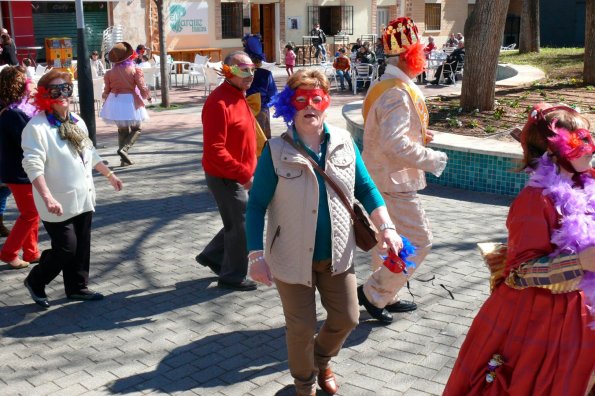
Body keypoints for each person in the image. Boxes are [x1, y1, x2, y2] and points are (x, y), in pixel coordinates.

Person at [246, 69, 403, 396]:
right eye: (300, 99)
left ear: (326, 102)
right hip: (289, 257)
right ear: (290, 104)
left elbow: (366, 187)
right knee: (301, 328)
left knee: (347, 318)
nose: (310, 106)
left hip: (338, 255)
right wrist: (255, 256)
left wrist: (387, 226)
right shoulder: (275, 151)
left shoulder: (344, 142)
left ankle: (322, 360)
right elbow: (256, 205)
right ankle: (304, 385)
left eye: (316, 99)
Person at [444, 104, 595, 395]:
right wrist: (579, 261)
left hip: (582, 313)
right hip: (538, 320)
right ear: (554, 152)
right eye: (580, 140)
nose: (591, 147)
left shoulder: (586, 185)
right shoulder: (534, 201)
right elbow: (520, 271)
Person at [359, 17, 448, 323]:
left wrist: (419, 135)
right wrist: (431, 158)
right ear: (410, 56)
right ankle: (374, 294)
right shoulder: (397, 91)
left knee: (387, 239)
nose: (424, 57)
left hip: (378, 175)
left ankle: (385, 294)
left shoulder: (383, 84)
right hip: (394, 179)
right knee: (420, 240)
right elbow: (394, 143)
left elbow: (385, 131)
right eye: (421, 52)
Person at [21, 68, 123, 308]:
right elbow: (33, 166)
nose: (63, 95)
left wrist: (109, 174)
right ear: (45, 95)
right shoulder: (37, 128)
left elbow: (89, 151)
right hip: (56, 200)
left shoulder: (77, 121)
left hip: (83, 196)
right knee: (66, 248)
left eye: (67, 88)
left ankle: (77, 287)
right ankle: (36, 281)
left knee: (82, 245)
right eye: (56, 90)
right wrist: (47, 198)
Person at [195, 51, 258, 291]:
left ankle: (213, 255)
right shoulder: (218, 102)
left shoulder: (238, 95)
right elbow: (215, 150)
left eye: (252, 69)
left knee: (238, 221)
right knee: (241, 224)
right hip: (224, 176)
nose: (250, 75)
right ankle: (231, 276)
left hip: (238, 173)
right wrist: (243, 174)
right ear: (228, 71)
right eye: (244, 70)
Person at [0, 66, 40, 269]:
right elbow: (26, 141)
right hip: (19, 172)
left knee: (32, 212)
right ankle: (8, 253)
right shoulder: (13, 114)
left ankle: (32, 252)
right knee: (30, 213)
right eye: (26, 82)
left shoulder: (12, 111)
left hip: (18, 170)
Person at [99, 42, 151, 167]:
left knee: (122, 130)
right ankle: (125, 150)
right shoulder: (135, 70)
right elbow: (141, 86)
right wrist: (147, 96)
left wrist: (106, 101)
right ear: (128, 56)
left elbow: (106, 91)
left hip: (115, 100)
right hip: (130, 101)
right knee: (137, 128)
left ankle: (123, 160)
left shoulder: (109, 73)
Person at [246, 55, 277, 139]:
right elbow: (272, 93)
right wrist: (266, 104)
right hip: (261, 108)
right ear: (260, 63)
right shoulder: (266, 74)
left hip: (244, 107)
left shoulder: (242, 73)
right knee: (263, 137)